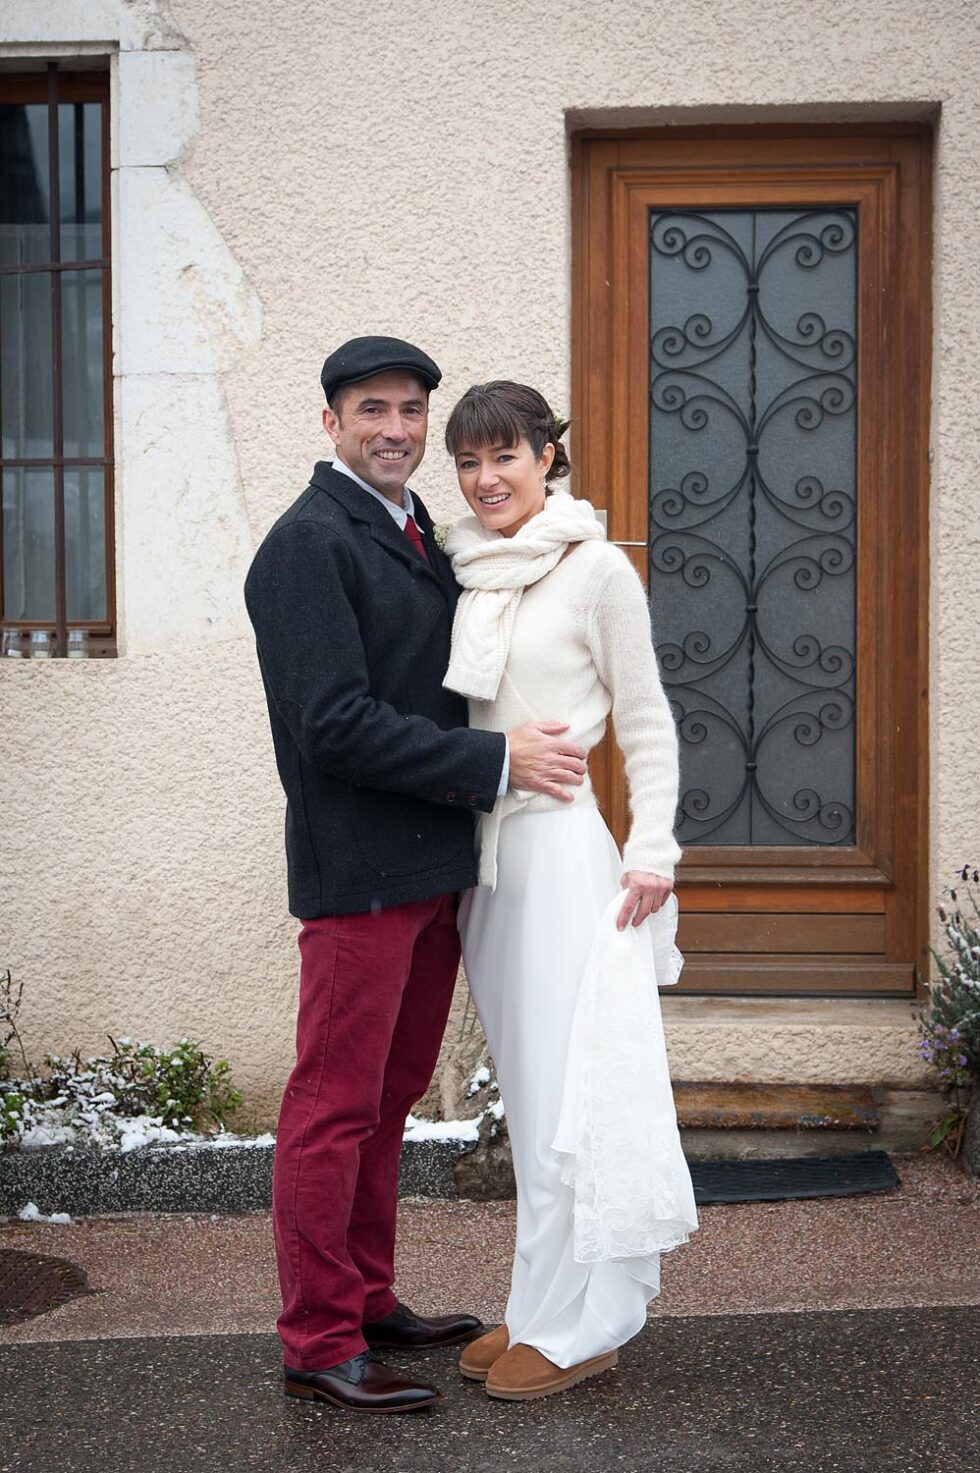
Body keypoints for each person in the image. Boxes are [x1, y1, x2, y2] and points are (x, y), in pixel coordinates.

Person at [244, 340, 589, 1415]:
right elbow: (333, 724)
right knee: (331, 1107)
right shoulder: (306, 545)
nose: (392, 428)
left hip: (430, 865)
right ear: (331, 423)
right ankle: (316, 1339)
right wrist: (495, 763)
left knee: (387, 1099)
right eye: (370, 409)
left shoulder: (413, 535)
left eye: (409, 411)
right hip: (357, 876)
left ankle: (367, 1297)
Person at [442, 381, 699, 1402]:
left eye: (504, 455)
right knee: (527, 1096)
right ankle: (541, 1297)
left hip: (563, 863)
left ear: (549, 456)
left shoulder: (595, 571)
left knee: (567, 1100)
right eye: (466, 461)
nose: (484, 477)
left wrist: (653, 852)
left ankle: (589, 1320)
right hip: (490, 869)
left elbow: (646, 722)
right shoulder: (468, 574)